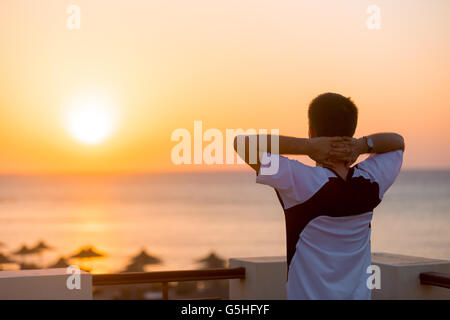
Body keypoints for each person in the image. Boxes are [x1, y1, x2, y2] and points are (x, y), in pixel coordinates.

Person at [234, 92, 404, 299]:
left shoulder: (300, 182)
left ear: (311, 132)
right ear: (352, 131)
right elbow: (397, 142)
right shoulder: (372, 181)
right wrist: (361, 145)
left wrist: (307, 147)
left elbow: (242, 144)